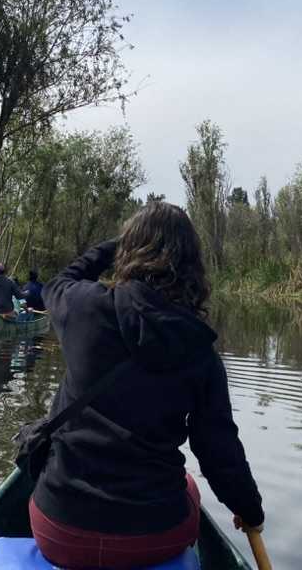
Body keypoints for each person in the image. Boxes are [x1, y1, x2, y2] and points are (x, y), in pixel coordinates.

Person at [29, 202, 264, 569]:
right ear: (193, 266)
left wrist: (115, 245)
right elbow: (220, 452)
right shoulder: (200, 349)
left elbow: (59, 281)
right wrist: (249, 509)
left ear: (127, 253)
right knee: (188, 485)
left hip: (61, 529)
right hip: (154, 536)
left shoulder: (84, 309)